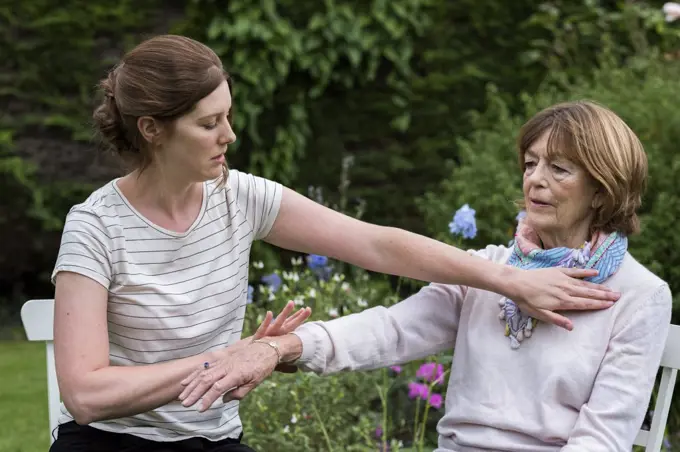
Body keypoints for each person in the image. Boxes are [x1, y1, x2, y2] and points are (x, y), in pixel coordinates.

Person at [49, 34, 618, 452]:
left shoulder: (238, 196)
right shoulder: (96, 227)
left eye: (228, 116)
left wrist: (507, 277)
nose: (230, 135)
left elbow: (376, 245)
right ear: (151, 128)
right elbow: (87, 394)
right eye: (208, 124)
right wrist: (227, 360)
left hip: (215, 442)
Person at [183, 100, 672, 451]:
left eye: (560, 168)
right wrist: (283, 347)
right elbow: (392, 329)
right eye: (529, 163)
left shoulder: (638, 294)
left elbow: (603, 437)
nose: (535, 180)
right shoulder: (489, 271)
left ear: (603, 190)